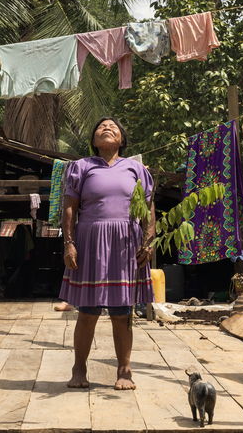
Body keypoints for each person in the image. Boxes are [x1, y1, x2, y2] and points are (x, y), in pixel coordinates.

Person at [59, 116, 155, 390]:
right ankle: (79, 369)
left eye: (113, 127)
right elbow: (69, 208)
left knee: (122, 311)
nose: (107, 128)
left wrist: (148, 243)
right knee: (88, 310)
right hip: (90, 242)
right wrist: (69, 242)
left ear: (122, 140)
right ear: (93, 140)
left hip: (126, 244)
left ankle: (124, 371)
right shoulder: (81, 167)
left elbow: (148, 210)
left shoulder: (136, 169)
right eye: (101, 127)